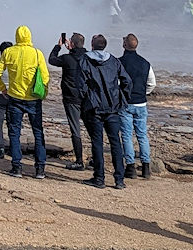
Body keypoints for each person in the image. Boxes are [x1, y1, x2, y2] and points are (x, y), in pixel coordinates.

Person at [0, 26, 49, 179]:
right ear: (29, 36)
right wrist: (44, 94)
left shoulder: (9, 52)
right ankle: (40, 169)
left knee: (14, 132)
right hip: (33, 99)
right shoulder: (37, 53)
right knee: (38, 132)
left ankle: (17, 167)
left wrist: (2, 89)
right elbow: (45, 77)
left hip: (14, 97)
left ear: (16, 36)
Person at [81, 34, 129, 188]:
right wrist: (122, 99)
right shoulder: (114, 61)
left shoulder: (84, 60)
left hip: (94, 108)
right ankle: (119, 179)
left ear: (92, 45)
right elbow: (127, 81)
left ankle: (99, 178)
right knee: (115, 142)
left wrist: (86, 100)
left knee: (97, 142)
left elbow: (80, 85)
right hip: (112, 108)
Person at [119, 34, 156, 180]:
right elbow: (152, 83)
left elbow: (116, 83)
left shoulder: (119, 62)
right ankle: (146, 167)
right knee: (142, 135)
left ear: (125, 45)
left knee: (127, 135)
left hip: (126, 103)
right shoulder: (145, 63)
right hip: (141, 103)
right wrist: (142, 93)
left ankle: (131, 167)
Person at [50, 33, 89, 171]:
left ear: (71, 44)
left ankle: (79, 161)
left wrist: (58, 46)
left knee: (75, 129)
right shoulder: (89, 57)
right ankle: (96, 160)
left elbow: (52, 60)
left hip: (71, 98)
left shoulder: (67, 58)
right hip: (87, 98)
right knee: (92, 129)